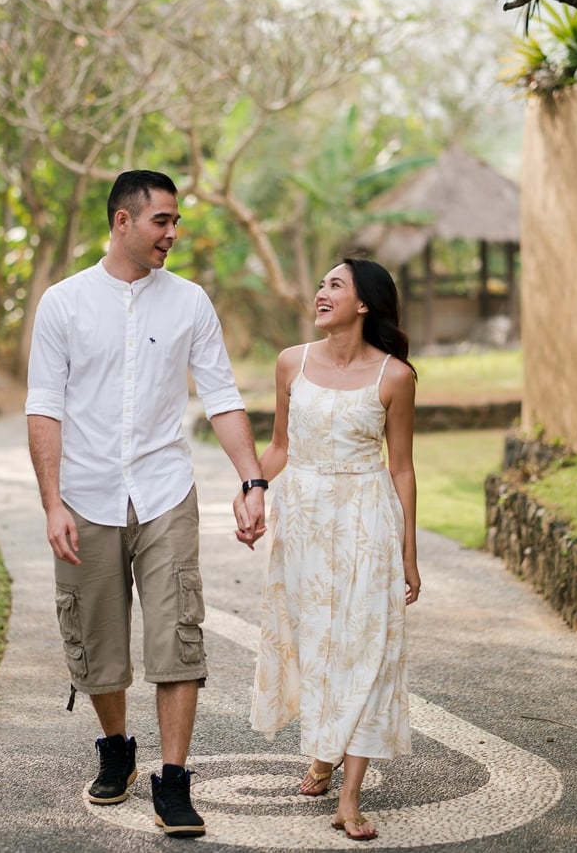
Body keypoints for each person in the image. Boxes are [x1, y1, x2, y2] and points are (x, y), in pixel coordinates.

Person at [25, 169, 266, 838]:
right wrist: (52, 503)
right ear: (123, 221)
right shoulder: (64, 304)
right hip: (86, 495)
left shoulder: (189, 302)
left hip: (165, 493)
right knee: (98, 640)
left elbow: (221, 394)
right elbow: (44, 409)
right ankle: (116, 749)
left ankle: (174, 780)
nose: (173, 233)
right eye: (162, 220)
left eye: (176, 220)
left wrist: (252, 480)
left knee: (176, 634)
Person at [235, 257, 421, 842]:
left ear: (363, 303)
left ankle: (349, 797)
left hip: (367, 519)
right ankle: (322, 748)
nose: (320, 292)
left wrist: (409, 553)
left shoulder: (395, 376)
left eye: (334, 285)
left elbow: (403, 469)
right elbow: (280, 446)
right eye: (320, 283)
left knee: (368, 646)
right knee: (315, 641)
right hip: (306, 520)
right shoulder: (292, 362)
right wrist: (251, 494)